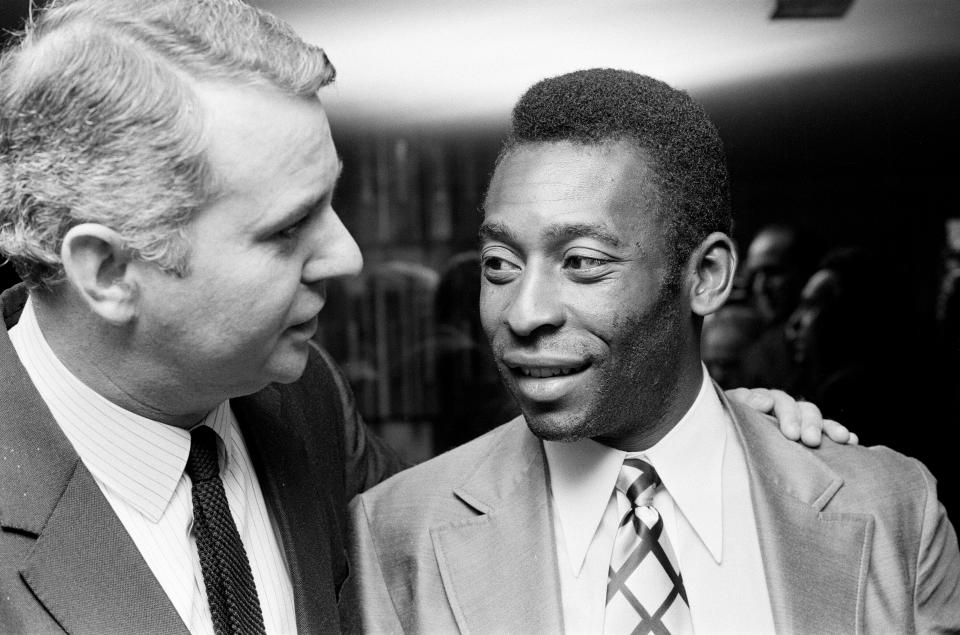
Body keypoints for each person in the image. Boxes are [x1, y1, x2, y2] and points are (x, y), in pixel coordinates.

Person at [0, 2, 848, 632]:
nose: (348, 255)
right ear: (108, 270)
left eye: (328, 201)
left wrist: (715, 438)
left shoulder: (300, 401)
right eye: (287, 228)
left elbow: (465, 527)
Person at [342, 69, 960, 633]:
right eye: (500, 264)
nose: (524, 313)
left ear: (708, 276)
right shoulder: (400, 532)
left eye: (582, 262)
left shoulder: (891, 510)